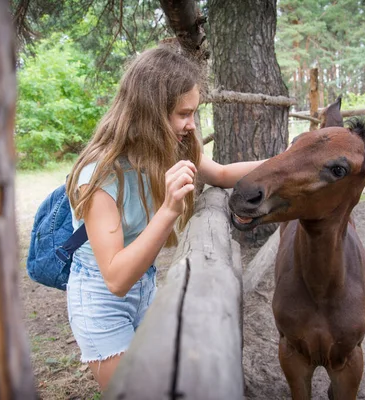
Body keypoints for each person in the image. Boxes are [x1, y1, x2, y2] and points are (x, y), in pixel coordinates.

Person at [65, 45, 266, 390]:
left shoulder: (166, 148)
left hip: (146, 286)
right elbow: (115, 278)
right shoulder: (99, 177)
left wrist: (291, 161)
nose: (191, 125)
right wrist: (170, 208)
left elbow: (220, 173)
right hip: (101, 299)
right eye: (182, 114)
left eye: (194, 113)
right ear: (149, 112)